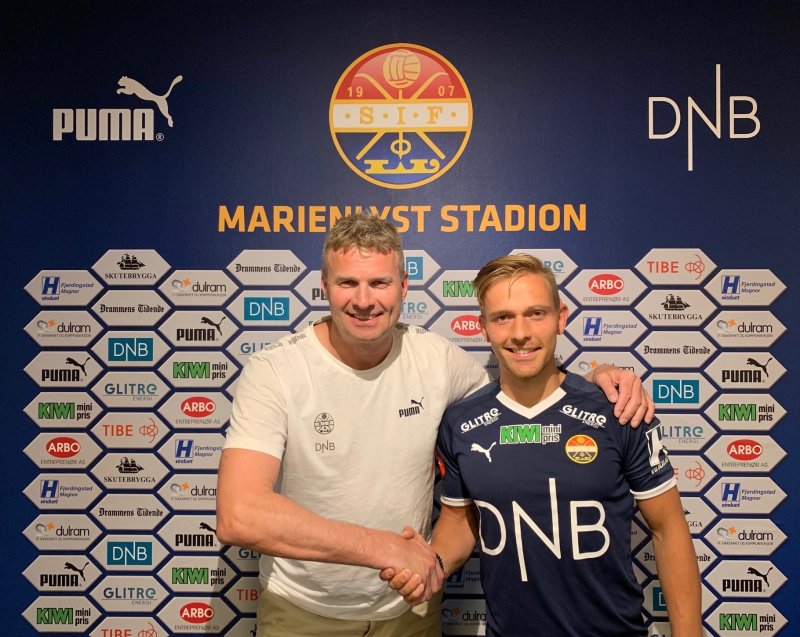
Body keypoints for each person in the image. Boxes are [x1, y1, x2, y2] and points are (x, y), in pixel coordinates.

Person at [215, 214, 655, 637]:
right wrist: (384, 548)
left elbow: (525, 384)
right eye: (348, 282)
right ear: (324, 286)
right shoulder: (275, 370)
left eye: (380, 283)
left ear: (403, 286)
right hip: (304, 612)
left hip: (410, 610)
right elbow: (239, 515)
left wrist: (595, 380)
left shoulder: (437, 360)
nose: (364, 300)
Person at [384, 254, 701, 636]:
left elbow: (669, 528)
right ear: (483, 328)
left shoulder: (620, 409)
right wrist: (432, 562)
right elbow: (459, 521)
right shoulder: (461, 423)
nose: (520, 332)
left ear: (560, 318)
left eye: (536, 314)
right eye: (503, 317)